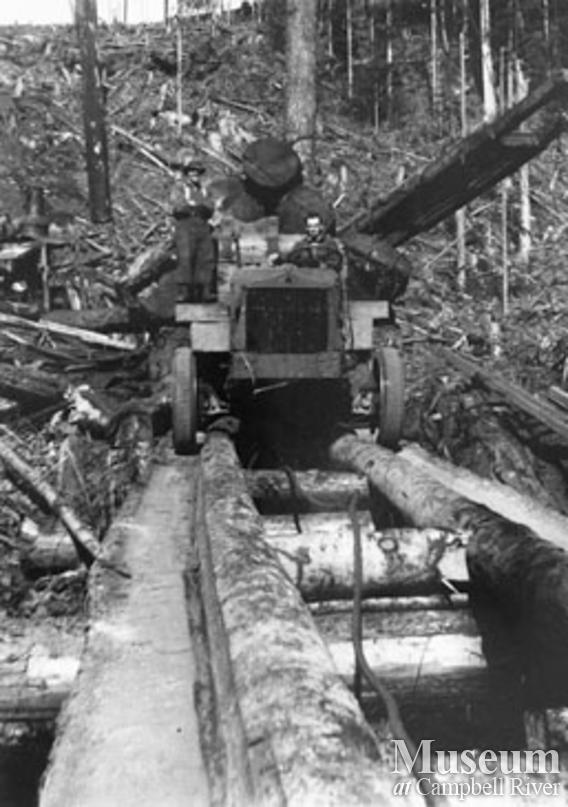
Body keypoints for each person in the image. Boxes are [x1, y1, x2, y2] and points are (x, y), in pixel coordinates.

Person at [171, 151, 217, 303]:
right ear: (187, 174)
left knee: (206, 257)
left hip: (202, 225)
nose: (194, 175)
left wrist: (197, 206)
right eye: (191, 172)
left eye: (197, 172)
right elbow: (177, 207)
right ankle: (184, 291)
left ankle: (204, 290)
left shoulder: (204, 190)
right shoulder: (180, 188)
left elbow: (210, 207)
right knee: (186, 257)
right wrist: (194, 207)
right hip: (185, 225)